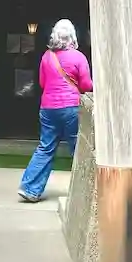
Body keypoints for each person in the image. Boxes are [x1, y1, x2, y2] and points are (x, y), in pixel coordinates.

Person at [18, 19, 92, 203]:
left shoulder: (47, 56)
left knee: (45, 147)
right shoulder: (79, 57)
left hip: (48, 108)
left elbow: (42, 83)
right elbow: (86, 85)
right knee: (77, 148)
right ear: (73, 36)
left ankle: (29, 188)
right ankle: (86, 192)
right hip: (71, 108)